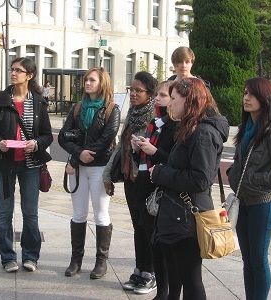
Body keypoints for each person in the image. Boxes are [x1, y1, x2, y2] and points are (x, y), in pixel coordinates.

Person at [150, 78, 229, 300]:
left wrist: (161, 173)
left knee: (191, 281)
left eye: (174, 99)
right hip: (177, 214)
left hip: (187, 218)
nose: (170, 104)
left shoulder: (202, 133)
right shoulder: (190, 127)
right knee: (178, 277)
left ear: (189, 99)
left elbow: (200, 180)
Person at [226, 77, 271, 300]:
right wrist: (232, 174)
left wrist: (256, 179)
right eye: (245, 93)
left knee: (258, 259)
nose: (246, 98)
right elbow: (240, 161)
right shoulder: (246, 127)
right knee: (247, 260)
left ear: (265, 99)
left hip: (263, 204)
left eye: (252, 94)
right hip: (243, 202)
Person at [0, 57, 53, 273]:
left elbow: (47, 135)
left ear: (29, 75)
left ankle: (31, 257)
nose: (13, 73)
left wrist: (36, 143)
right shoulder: (0, 100)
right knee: (4, 213)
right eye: (12, 70)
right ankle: (8, 258)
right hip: (4, 164)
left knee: (30, 213)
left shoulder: (40, 102)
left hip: (30, 165)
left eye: (18, 70)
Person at [58, 67, 120, 279]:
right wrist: (77, 156)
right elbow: (63, 137)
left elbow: (105, 140)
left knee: (101, 214)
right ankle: (76, 260)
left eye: (92, 80)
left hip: (100, 167)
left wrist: (82, 154)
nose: (87, 83)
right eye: (86, 80)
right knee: (78, 214)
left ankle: (101, 262)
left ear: (102, 83)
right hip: (78, 167)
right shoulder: (77, 108)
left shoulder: (112, 109)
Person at [103, 71, 158, 294]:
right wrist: (108, 175)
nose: (133, 94)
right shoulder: (133, 114)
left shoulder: (155, 118)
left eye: (138, 90)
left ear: (150, 94)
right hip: (130, 179)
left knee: (148, 227)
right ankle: (139, 269)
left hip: (147, 180)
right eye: (131, 90)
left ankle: (151, 272)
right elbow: (119, 147)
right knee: (137, 226)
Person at [130, 81, 181, 299]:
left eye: (163, 95)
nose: (157, 99)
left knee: (155, 237)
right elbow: (146, 158)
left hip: (160, 189)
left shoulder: (175, 127)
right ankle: (141, 270)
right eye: (157, 95)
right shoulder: (155, 123)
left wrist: (154, 150)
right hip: (143, 183)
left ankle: (153, 276)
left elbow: (174, 161)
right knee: (140, 229)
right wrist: (137, 150)